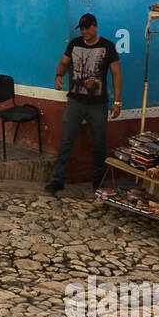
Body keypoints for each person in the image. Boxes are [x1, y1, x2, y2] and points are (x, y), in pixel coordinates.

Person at [47, 12, 122, 195]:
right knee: (66, 141)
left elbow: (116, 74)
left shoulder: (108, 46)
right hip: (75, 102)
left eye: (88, 27)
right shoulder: (74, 44)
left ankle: (98, 184)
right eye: (82, 28)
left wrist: (117, 101)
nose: (85, 31)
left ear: (96, 26)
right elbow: (63, 63)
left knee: (99, 144)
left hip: (98, 105)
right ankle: (58, 181)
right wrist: (58, 76)